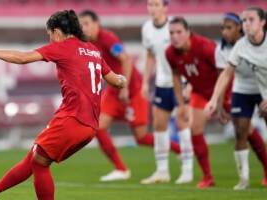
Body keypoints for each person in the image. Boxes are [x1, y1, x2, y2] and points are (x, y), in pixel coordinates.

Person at [0, 10, 126, 200]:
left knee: (40, 161)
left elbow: (22, 58)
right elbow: (115, 80)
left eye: (50, 34)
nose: (49, 38)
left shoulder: (62, 47)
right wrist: (126, 81)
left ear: (57, 32)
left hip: (72, 118)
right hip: (89, 126)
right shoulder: (93, 51)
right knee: (36, 156)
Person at [78, 10, 181, 182]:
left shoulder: (108, 39)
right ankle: (121, 169)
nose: (84, 27)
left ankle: (179, 149)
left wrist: (124, 87)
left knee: (141, 138)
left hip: (132, 90)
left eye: (87, 23)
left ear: (97, 24)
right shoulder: (87, 43)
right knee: (98, 127)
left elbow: (126, 59)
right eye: (81, 24)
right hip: (113, 91)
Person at [206, 8, 267, 189]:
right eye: (244, 20)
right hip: (243, 89)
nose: (247, 23)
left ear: (262, 22)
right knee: (240, 130)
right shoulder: (239, 46)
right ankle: (244, 179)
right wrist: (214, 100)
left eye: (251, 19)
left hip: (264, 90)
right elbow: (225, 74)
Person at [166, 17, 226, 189]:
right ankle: (208, 177)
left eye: (179, 32)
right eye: (171, 33)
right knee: (195, 129)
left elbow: (224, 73)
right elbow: (176, 77)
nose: (175, 36)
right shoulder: (170, 52)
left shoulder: (206, 47)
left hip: (223, 90)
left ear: (188, 32)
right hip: (200, 92)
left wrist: (219, 102)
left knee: (244, 129)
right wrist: (181, 104)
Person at [141, 0, 194, 185]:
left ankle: (187, 170)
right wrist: (145, 81)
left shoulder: (175, 28)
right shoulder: (147, 28)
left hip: (180, 82)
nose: (152, 8)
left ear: (165, 7)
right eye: (149, 4)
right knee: (158, 125)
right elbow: (150, 55)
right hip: (161, 83)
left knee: (182, 124)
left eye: (156, 4)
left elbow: (189, 53)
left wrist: (190, 83)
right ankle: (162, 172)